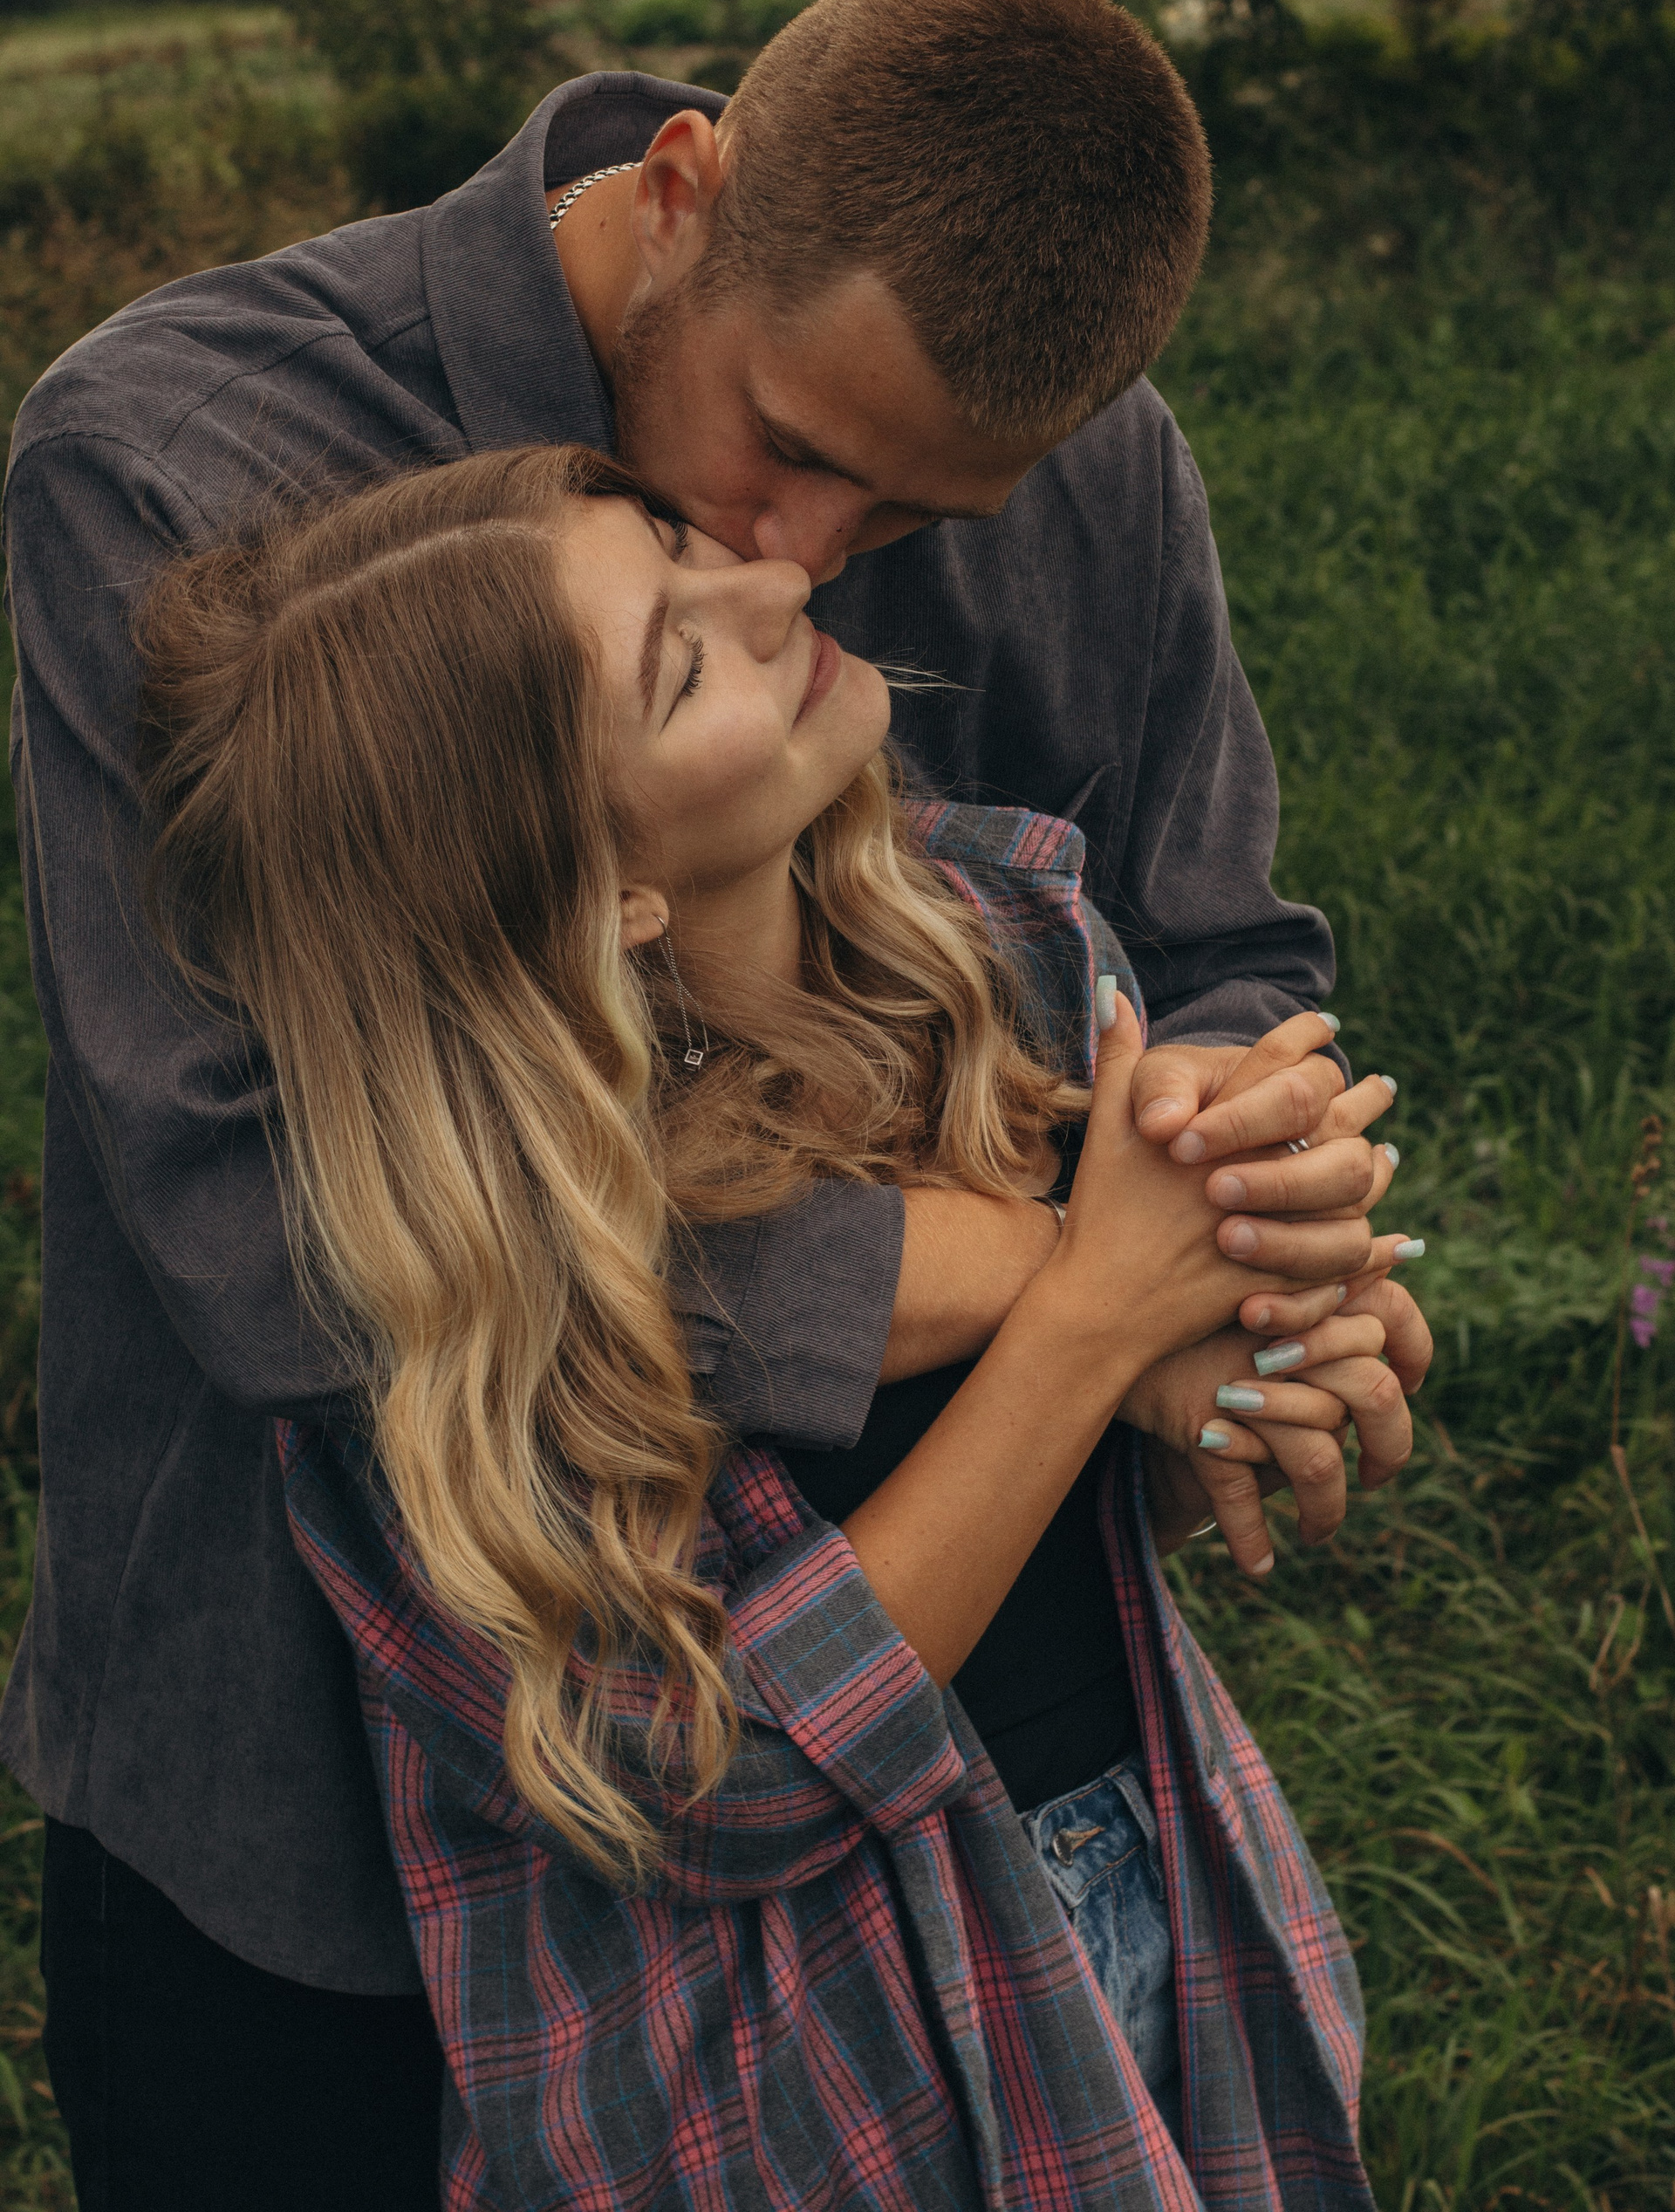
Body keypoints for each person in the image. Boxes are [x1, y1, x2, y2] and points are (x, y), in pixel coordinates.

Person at [1, 0, 1430, 2203]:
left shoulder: (1070, 462)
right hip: (316, 1851)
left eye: (918, 526)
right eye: (787, 457)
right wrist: (1072, 1282)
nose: (804, 572)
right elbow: (277, 1238)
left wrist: (1259, 1261)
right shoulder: (174, 452)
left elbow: (1211, 958)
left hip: (997, 1836)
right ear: (681, 194)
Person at [136, 442, 1415, 2207]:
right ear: (603, 895)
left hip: (1155, 1884)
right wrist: (1091, 1324)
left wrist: (1258, 1369)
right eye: (679, 666)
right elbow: (702, 1777)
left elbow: (1103, 1491)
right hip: (799, 2087)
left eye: (676, 538)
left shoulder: (1014, 952)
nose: (776, 583)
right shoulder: (469, 1293)